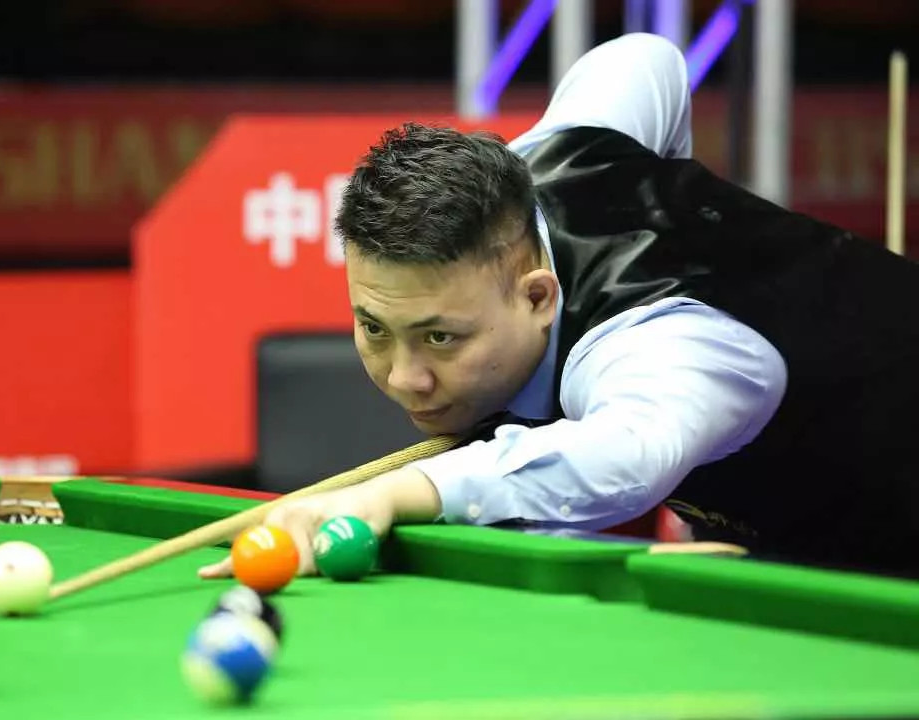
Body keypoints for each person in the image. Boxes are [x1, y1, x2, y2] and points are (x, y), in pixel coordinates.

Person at [201, 33, 919, 580]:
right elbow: (645, 58)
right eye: (374, 329)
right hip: (777, 528)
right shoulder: (550, 160)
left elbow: (625, 459)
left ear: (539, 295)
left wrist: (393, 495)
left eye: (441, 338)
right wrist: (669, 195)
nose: (404, 377)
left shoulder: (662, 349)